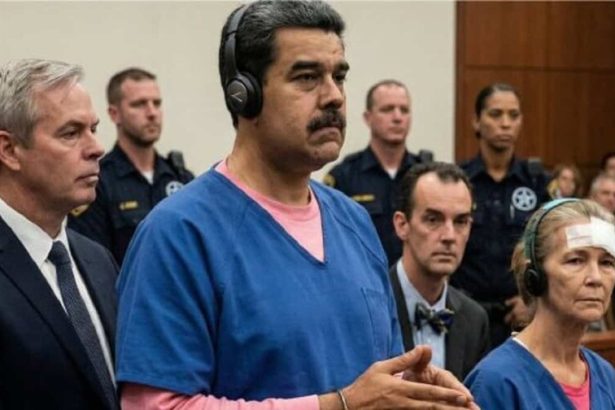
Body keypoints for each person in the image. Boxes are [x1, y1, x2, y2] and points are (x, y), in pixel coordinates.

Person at [115, 2, 478, 410]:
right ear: (244, 95)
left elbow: (374, 380)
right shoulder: (178, 234)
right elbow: (156, 406)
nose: (334, 96)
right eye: (307, 77)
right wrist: (338, 405)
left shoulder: (355, 222)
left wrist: (415, 390)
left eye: (339, 76)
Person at [0, 59, 119, 409]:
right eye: (71, 133)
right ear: (9, 150)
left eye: (93, 129)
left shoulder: (98, 259)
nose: (96, 148)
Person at [465, 198, 615, 409]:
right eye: (576, 260)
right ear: (534, 275)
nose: (596, 278)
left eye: (607, 262)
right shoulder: (497, 382)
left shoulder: (606, 376)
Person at [451, 83, 550, 348]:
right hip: (464, 312)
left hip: (521, 316)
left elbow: (553, 248)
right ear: (476, 121)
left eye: (513, 115)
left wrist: (535, 299)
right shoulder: (459, 180)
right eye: (495, 114)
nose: (505, 123)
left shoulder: (538, 183)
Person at [68, 67, 194, 264]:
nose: (152, 113)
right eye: (139, 104)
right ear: (114, 114)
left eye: (156, 103)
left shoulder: (180, 178)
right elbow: (92, 265)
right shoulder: (97, 182)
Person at [390, 162, 490, 381]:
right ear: (402, 225)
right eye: (433, 220)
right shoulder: (369, 308)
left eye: (461, 221)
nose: (449, 236)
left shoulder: (474, 319)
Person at [324, 79, 432, 266]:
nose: (397, 117)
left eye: (404, 110)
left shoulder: (425, 175)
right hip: (363, 277)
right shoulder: (344, 176)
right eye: (387, 109)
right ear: (368, 118)